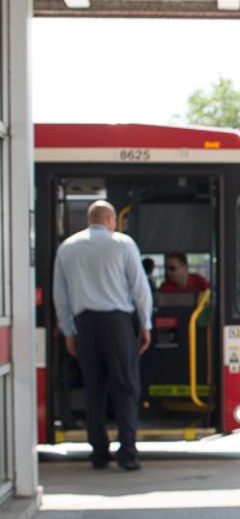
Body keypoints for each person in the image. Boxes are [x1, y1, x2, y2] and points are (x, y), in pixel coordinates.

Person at [53, 200, 152, 470]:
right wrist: (145, 325)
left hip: (84, 324)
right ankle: (128, 452)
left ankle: (98, 453)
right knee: (125, 386)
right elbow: (139, 288)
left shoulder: (67, 248)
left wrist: (68, 331)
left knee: (94, 389)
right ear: (110, 219)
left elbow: (59, 295)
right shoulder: (122, 243)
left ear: (90, 219)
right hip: (117, 323)